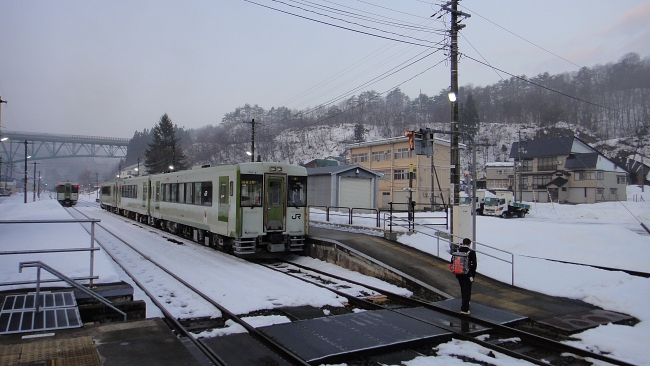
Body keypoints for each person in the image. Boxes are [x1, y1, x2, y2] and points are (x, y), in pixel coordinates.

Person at [452, 237, 477, 315]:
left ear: (462, 243)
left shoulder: (457, 251)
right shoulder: (471, 252)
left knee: (463, 289)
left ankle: (464, 303)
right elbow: (474, 265)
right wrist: (472, 275)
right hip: (467, 275)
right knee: (467, 291)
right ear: (469, 244)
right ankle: (464, 309)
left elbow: (452, 261)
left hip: (458, 274)